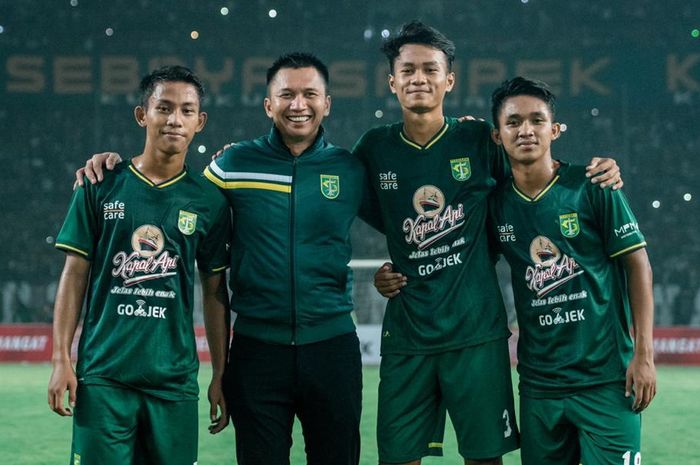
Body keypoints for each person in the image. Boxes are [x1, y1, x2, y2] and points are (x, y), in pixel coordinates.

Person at [74, 52, 378, 465]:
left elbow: (401, 215)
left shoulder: (350, 169)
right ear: (268, 104)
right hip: (257, 350)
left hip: (332, 347)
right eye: (286, 94)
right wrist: (109, 165)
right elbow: (174, 186)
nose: (298, 104)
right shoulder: (233, 164)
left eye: (310, 94)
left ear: (328, 103)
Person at [361, 22, 622, 465]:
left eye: (430, 69)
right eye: (408, 70)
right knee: (397, 458)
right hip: (408, 333)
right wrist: (392, 267)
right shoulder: (373, 149)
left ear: (450, 80)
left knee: (484, 458)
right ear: (392, 81)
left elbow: (533, 178)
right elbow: (375, 214)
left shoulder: (481, 140)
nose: (419, 78)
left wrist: (602, 171)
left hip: (476, 331)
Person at [48, 65, 232, 465]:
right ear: (142, 114)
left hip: (174, 382)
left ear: (200, 122)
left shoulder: (210, 201)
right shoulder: (100, 183)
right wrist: (61, 357)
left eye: (186, 110)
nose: (174, 119)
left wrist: (221, 372)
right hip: (103, 379)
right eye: (163, 107)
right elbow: (74, 273)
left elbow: (215, 290)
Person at [486, 76, 655, 465]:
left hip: (607, 381)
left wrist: (644, 355)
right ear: (497, 136)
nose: (525, 130)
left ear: (555, 129)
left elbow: (638, 264)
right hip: (539, 385)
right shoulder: (495, 205)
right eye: (513, 122)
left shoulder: (594, 185)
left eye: (537, 120)